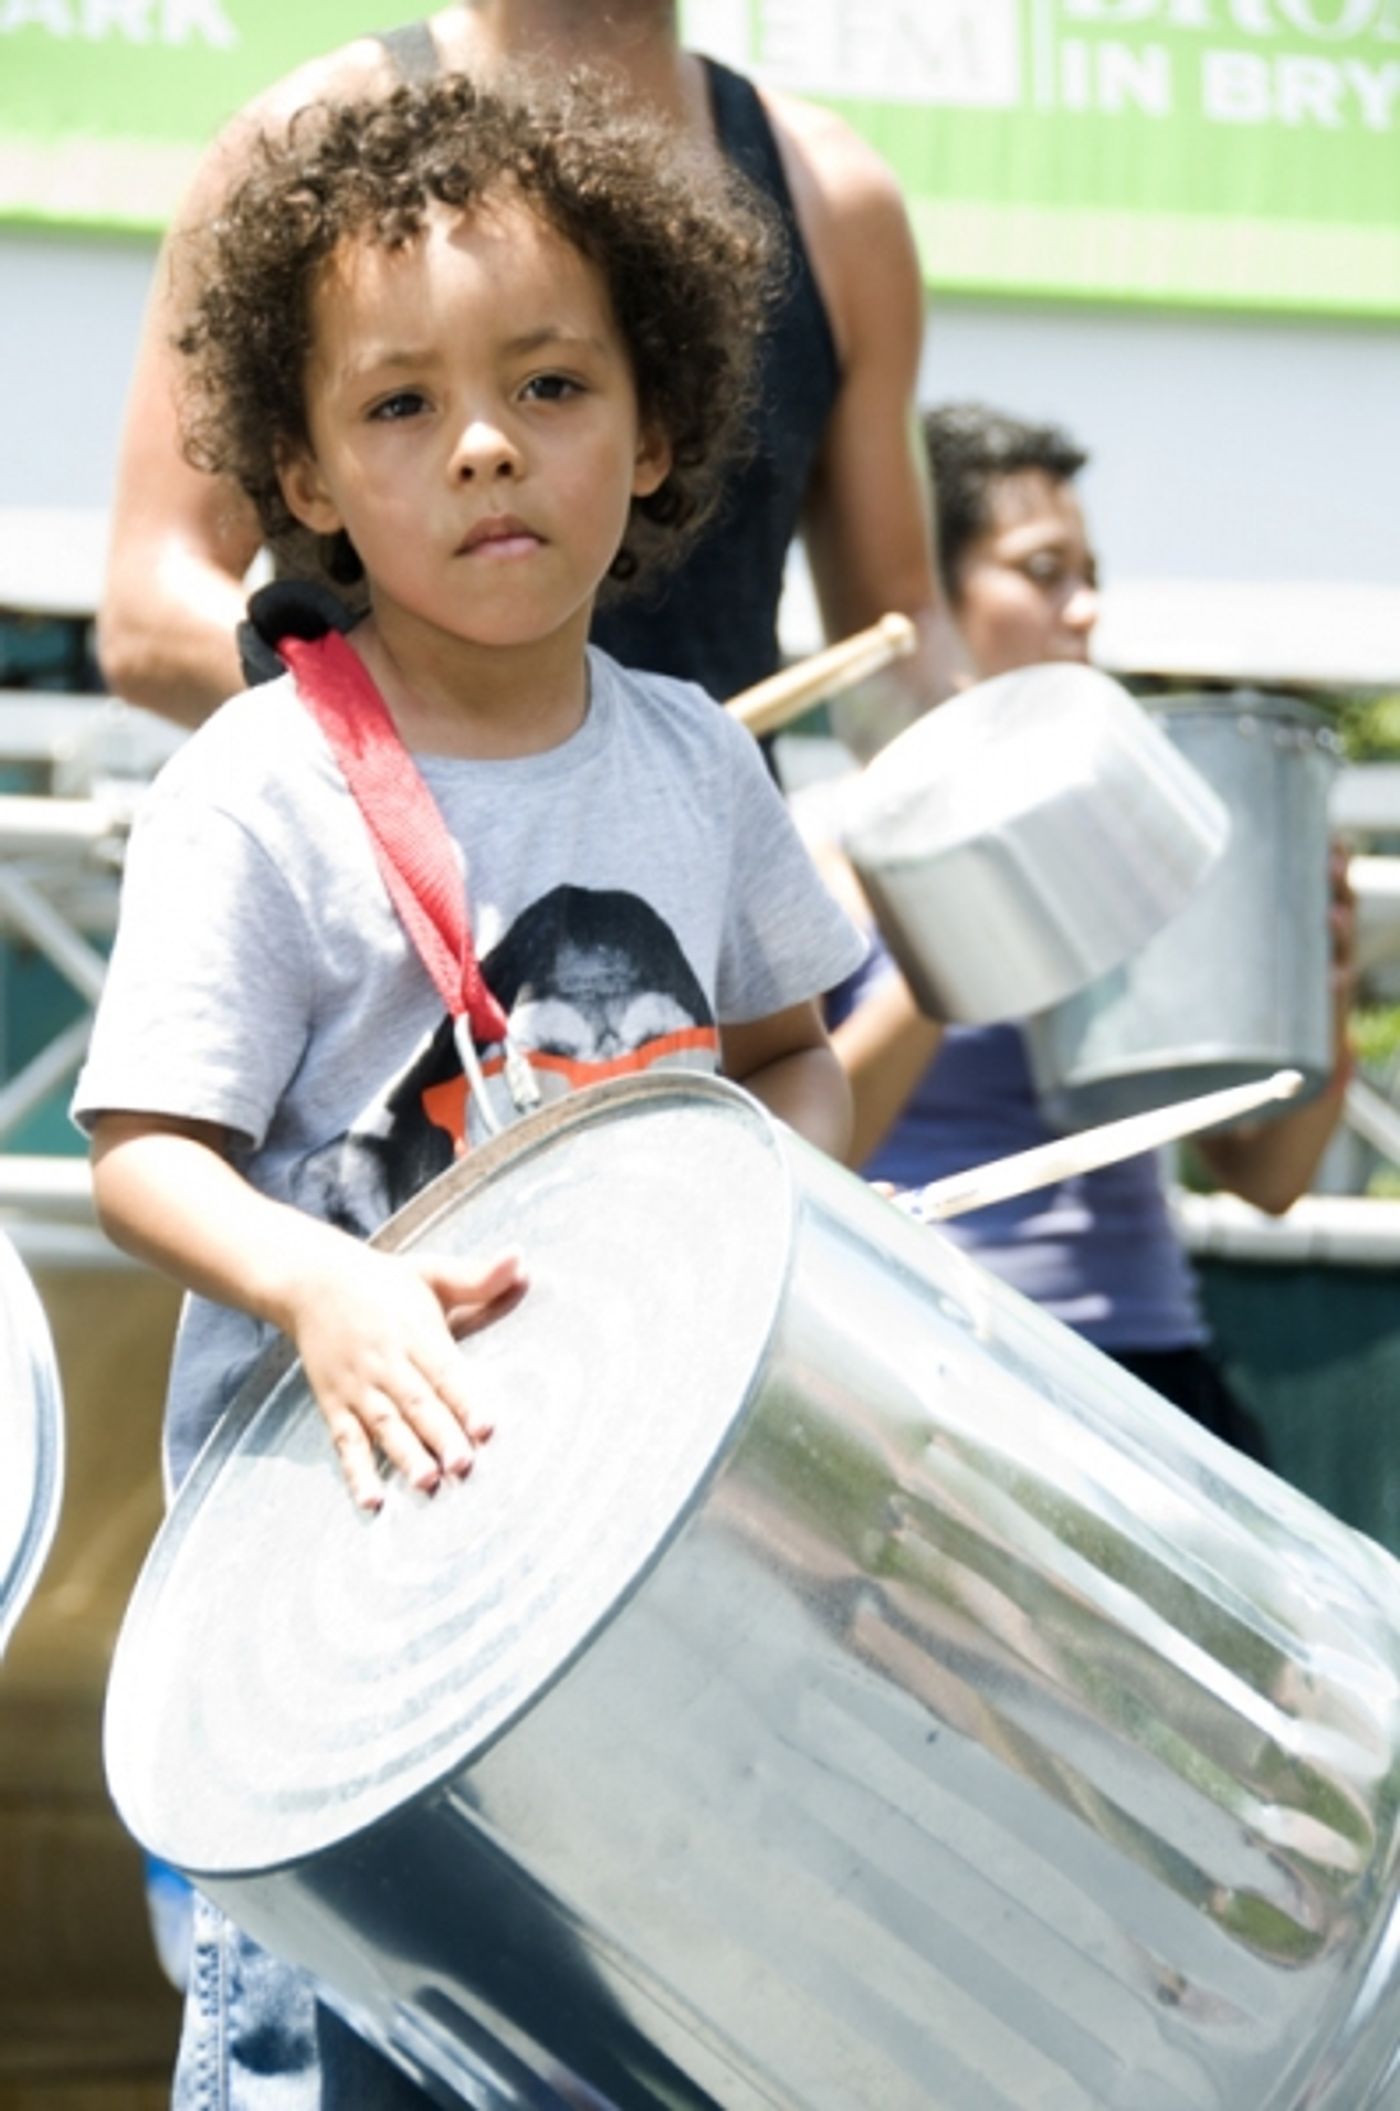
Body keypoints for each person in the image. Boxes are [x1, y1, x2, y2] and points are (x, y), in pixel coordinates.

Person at [73, 70, 864, 2103]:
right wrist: (327, 1291)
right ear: (307, 472)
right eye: (401, 404)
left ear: (665, 422)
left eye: (550, 382)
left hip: (630, 1630)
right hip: (341, 1643)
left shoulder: (694, 755)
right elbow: (145, 1149)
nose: (487, 441)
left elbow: (792, 1044)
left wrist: (747, 1229)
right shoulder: (262, 780)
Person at [96, 0, 948, 726]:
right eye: (403, 402)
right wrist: (423, 751)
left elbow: (895, 638)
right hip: (386, 894)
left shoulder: (838, 202)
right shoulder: (298, 146)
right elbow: (152, 605)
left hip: (709, 897)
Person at [830, 401, 1355, 1456]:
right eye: (1040, 570)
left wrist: (1319, 975)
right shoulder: (823, 848)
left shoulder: (1137, 831)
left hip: (1153, 1375)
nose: (1083, 609)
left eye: (1088, 574)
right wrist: (964, 926)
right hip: (947, 1373)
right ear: (926, 591)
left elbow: (1264, 1177)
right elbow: (812, 1136)